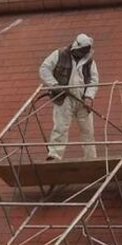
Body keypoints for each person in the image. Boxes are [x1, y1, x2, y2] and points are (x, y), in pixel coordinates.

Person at [39, 33, 99, 161]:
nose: (82, 53)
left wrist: (89, 96)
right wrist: (54, 84)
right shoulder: (59, 54)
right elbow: (44, 69)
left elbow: (94, 80)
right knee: (60, 127)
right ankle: (54, 155)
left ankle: (91, 157)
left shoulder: (89, 60)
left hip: (82, 99)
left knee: (88, 130)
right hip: (64, 97)